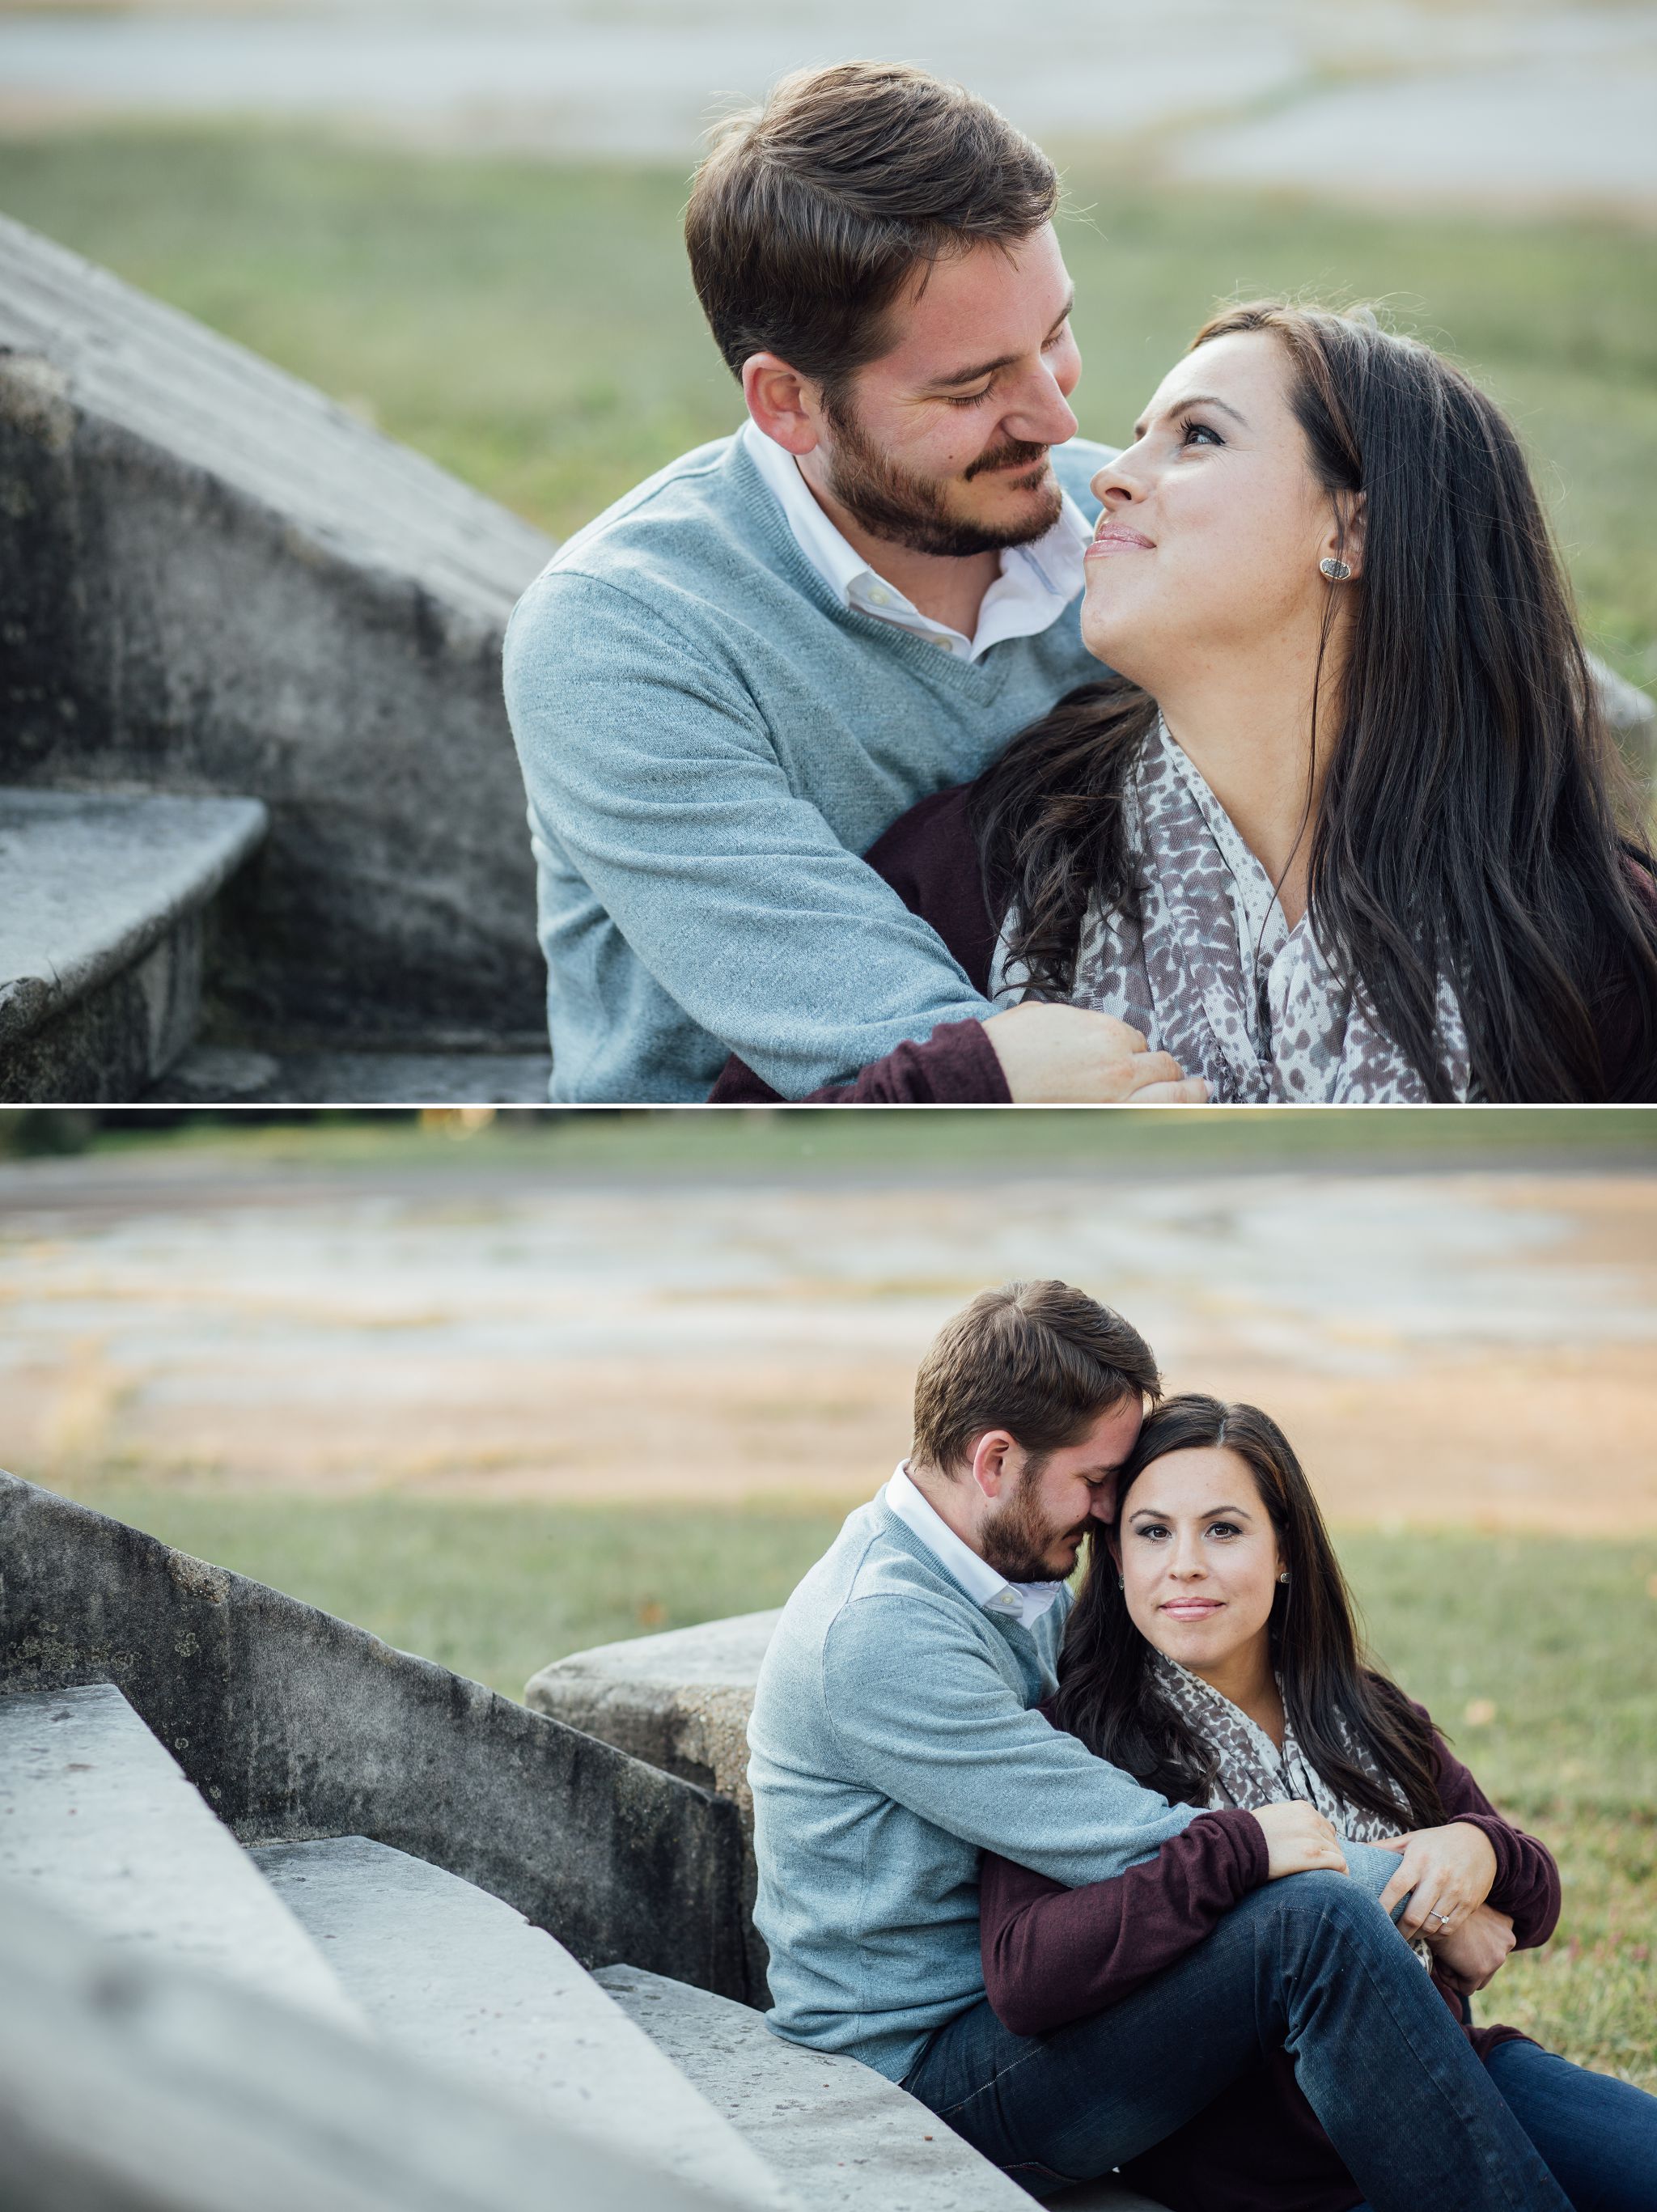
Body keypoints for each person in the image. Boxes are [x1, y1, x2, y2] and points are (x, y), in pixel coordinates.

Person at [747, 1280, 1571, 2210]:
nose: (1106, 1514)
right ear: (993, 1462)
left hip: (1025, 2030)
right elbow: (1119, 1832)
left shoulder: (1000, 1577)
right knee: (1312, 1918)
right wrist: (1420, 1895)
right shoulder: (879, 1635)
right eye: (1098, 1482)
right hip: (914, 2079)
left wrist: (1471, 1853)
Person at [715, 302, 1657, 1104]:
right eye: (1136, 438)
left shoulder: (1582, 939)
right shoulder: (987, 862)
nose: (1109, 475)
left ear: (1353, 526)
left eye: (1196, 436)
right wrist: (977, 1082)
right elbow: (748, 1151)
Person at [502, 62, 1207, 1107]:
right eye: (973, 387)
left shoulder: (1134, 521)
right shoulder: (620, 634)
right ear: (788, 402)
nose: (1057, 420)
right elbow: (899, 1044)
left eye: (1053, 336)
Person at [972, 1393, 1657, 2210]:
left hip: (1458, 2070)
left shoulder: (1360, 1711)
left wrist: (1477, 1852)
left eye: (1222, 1529)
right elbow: (1027, 1972)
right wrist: (1238, 1866)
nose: (1183, 1563)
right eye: (1151, 1531)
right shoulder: (1078, 1736)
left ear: (1285, 1550)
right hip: (1272, 2167)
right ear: (1115, 1557)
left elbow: (1530, 1903)